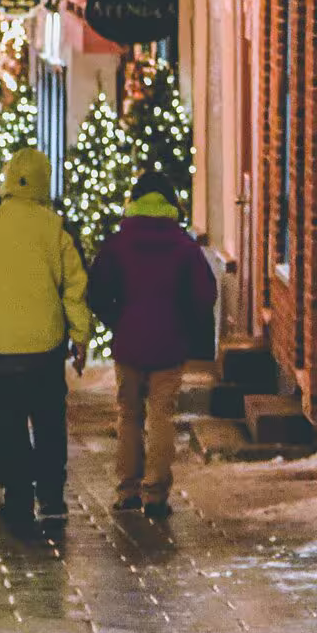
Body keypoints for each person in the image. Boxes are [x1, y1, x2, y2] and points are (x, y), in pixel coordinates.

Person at [0, 144, 90, 537]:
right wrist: (80, 336)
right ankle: (51, 497)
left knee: (9, 422)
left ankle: (16, 496)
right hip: (46, 349)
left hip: (1, 350)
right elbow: (74, 287)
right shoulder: (55, 228)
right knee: (48, 423)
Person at [87, 171, 219, 521]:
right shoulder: (184, 246)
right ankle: (156, 492)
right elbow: (204, 294)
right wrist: (183, 325)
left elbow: (96, 291)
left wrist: (119, 320)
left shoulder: (118, 243)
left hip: (129, 342)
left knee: (128, 415)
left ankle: (127, 489)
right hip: (169, 344)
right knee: (161, 416)